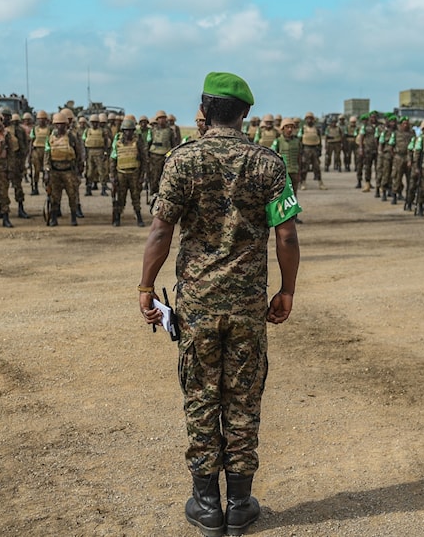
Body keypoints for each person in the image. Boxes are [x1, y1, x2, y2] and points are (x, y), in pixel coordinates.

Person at [139, 72, 300, 537]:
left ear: (204, 110)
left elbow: (161, 230)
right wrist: (287, 291)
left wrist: (145, 287)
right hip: (249, 305)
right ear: (245, 113)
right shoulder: (269, 163)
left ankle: (207, 503)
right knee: (244, 398)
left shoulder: (183, 160)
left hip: (199, 304)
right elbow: (286, 233)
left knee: (201, 396)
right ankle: (242, 502)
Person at [44, 112, 84, 226]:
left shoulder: (71, 137)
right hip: (55, 171)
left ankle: (73, 217)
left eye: (62, 124)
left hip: (69, 170)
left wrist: (79, 166)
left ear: (66, 125)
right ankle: (54, 218)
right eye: (57, 124)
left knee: (72, 195)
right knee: (54, 196)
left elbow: (78, 152)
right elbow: (47, 156)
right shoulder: (50, 138)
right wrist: (46, 171)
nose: (60, 127)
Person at [110, 117, 147, 227]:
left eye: (130, 130)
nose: (128, 132)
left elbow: (144, 159)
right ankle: (117, 218)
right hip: (121, 173)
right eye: (126, 130)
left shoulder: (138, 141)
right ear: (123, 131)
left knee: (136, 197)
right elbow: (113, 159)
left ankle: (139, 217)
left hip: (134, 173)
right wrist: (112, 176)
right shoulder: (117, 143)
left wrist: (142, 175)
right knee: (120, 198)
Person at [272, 118, 304, 223]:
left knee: (293, 195)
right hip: (283, 173)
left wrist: (300, 172)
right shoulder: (278, 141)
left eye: (292, 127)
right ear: (282, 128)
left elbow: (299, 157)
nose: (290, 129)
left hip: (294, 171)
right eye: (287, 127)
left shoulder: (297, 141)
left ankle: (294, 216)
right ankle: (283, 217)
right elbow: (273, 156)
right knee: (281, 196)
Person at [2, 109, 31, 219]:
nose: (4, 118)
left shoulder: (18, 130)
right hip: (1, 163)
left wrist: (21, 162)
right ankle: (2, 209)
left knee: (17, 187)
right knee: (1, 188)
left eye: (6, 116)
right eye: (2, 116)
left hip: (15, 163)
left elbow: (24, 147)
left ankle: (20, 208)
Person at [298, 112, 325, 190]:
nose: (309, 120)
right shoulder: (302, 129)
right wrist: (301, 151)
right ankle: (303, 183)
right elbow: (299, 140)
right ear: (306, 120)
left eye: (311, 118)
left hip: (314, 149)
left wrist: (319, 150)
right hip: (306, 149)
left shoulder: (317, 129)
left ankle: (320, 183)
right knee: (304, 168)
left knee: (317, 167)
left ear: (313, 120)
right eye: (308, 118)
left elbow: (319, 140)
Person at [29, 110, 51, 196]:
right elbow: (31, 141)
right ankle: (35, 188)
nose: (41, 121)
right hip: (36, 150)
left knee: (47, 170)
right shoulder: (34, 129)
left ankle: (47, 188)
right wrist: (30, 153)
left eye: (43, 119)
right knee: (36, 170)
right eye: (39, 119)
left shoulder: (49, 129)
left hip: (46, 151)